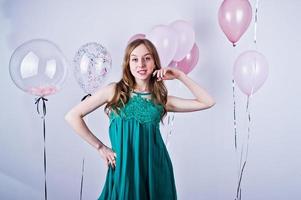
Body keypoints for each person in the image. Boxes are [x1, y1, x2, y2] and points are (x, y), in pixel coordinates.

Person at [65, 38, 215, 200]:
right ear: (128, 64)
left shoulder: (161, 100)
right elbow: (73, 116)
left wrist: (180, 75)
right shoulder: (114, 91)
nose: (141, 64)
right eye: (135, 59)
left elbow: (207, 102)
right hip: (124, 170)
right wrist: (100, 147)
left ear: (155, 63)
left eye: (147, 58)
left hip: (154, 169)